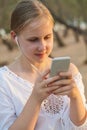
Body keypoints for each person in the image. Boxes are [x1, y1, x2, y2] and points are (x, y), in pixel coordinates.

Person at [0, 0, 87, 130]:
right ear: (14, 37)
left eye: (47, 37)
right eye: (33, 39)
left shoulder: (69, 70)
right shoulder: (5, 82)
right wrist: (35, 99)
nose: (42, 47)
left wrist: (75, 96)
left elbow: (81, 126)